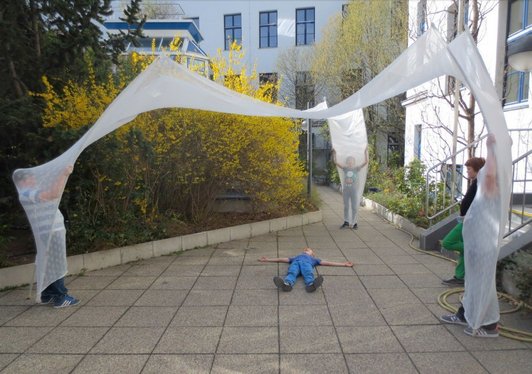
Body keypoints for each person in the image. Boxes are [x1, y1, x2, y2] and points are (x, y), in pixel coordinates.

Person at [440, 134, 500, 338]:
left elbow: (489, 176)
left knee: (481, 283)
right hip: (477, 239)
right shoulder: (488, 180)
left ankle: (490, 326)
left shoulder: (492, 181)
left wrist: (491, 148)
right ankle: (466, 314)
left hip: (483, 241)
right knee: (473, 282)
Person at [13, 165, 80, 308]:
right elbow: (54, 194)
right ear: (22, 182)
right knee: (56, 264)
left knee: (50, 263)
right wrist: (64, 174)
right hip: (50, 233)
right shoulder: (27, 193)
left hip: (52, 231)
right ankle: (60, 297)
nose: (33, 179)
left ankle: (48, 294)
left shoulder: (31, 191)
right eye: (30, 178)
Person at [441, 156, 486, 286]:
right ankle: (460, 277)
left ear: (477, 169)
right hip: (466, 220)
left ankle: (473, 250)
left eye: (469, 169)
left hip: (470, 221)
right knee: (463, 250)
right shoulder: (477, 182)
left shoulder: (480, 184)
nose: (467, 172)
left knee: (447, 242)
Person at [259, 247, 353, 292]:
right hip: (295, 263)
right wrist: (267, 259)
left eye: (308, 249)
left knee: (308, 272)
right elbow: (282, 259)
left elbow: (328, 262)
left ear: (312, 254)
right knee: (292, 272)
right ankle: (287, 284)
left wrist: (344, 264)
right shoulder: (296, 257)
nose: (306, 250)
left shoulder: (314, 259)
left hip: (306, 265)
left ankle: (311, 284)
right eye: (305, 249)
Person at [332, 147, 368, 229]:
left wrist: (365, 152)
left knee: (354, 207)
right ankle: (346, 222)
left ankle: (354, 223)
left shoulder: (356, 168)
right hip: (346, 190)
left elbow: (366, 162)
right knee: (346, 206)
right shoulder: (345, 168)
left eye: (351, 161)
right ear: (347, 162)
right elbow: (336, 162)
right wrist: (335, 153)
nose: (350, 162)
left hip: (354, 190)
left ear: (354, 162)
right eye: (349, 161)